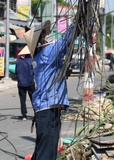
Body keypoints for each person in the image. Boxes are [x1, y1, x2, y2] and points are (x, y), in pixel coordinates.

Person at [24, 20, 78, 160]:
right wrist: (78, 21)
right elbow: (66, 39)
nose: (47, 36)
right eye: (44, 35)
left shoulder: (41, 57)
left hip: (46, 110)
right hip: (48, 110)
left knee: (45, 150)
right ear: (40, 41)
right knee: (47, 153)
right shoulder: (47, 53)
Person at [15, 46, 35, 120]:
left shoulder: (18, 61)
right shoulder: (32, 61)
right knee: (33, 99)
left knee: (22, 100)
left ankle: (24, 115)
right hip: (30, 83)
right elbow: (35, 71)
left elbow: (16, 72)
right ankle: (36, 113)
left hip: (21, 83)